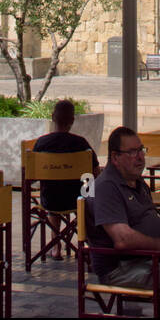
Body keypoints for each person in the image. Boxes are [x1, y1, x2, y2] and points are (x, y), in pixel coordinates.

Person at [90, 127, 160, 298]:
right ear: (115, 157)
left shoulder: (136, 181)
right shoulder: (106, 187)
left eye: (141, 150)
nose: (140, 157)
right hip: (122, 267)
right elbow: (123, 240)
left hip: (151, 258)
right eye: (132, 152)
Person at [31, 100, 99, 259]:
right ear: (72, 121)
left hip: (49, 200)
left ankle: (55, 244)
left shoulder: (41, 143)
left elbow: (32, 175)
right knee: (89, 189)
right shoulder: (81, 144)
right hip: (78, 200)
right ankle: (88, 240)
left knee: (53, 190)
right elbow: (95, 172)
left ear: (53, 117)